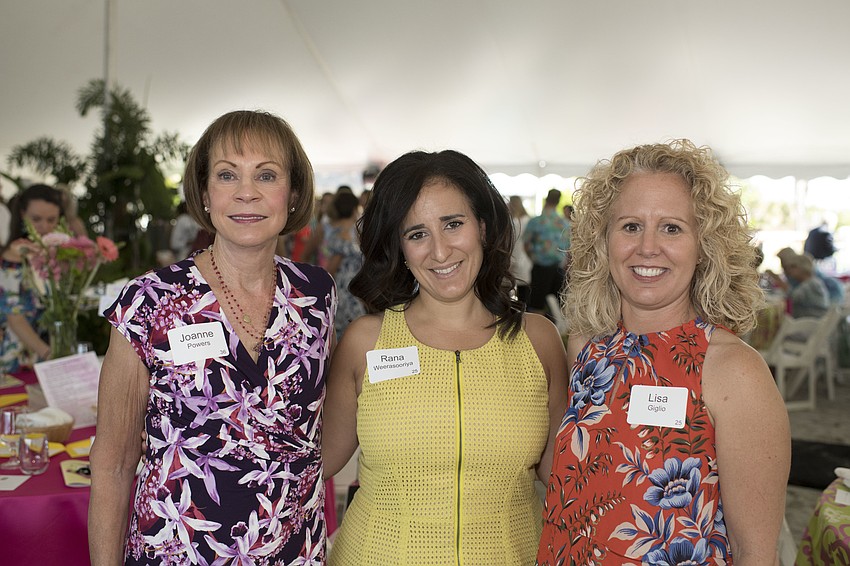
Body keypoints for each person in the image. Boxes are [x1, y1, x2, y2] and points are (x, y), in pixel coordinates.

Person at [88, 110, 335, 564]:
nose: (247, 192)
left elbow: (314, 427)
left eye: (266, 175)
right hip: (177, 551)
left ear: (294, 193)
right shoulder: (150, 301)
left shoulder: (316, 294)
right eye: (227, 175)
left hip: (293, 552)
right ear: (204, 193)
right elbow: (114, 464)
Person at [536, 140, 791, 565]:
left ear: (704, 244)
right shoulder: (587, 348)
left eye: (671, 228)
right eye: (630, 226)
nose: (648, 247)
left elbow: (756, 554)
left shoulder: (732, 370)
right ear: (603, 240)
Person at [322, 150, 569, 565]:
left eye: (453, 224)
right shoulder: (367, 342)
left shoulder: (538, 340)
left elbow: (568, 478)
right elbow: (309, 464)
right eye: (417, 234)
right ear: (399, 247)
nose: (439, 251)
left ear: (483, 228)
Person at [0, 184, 64, 370]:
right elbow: (15, 318)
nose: (44, 226)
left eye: (51, 220)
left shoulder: (52, 254)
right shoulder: (12, 258)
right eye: (36, 219)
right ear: (22, 215)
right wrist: (49, 354)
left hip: (44, 358)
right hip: (14, 361)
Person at [523, 188, 570, 317]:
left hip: (540, 268)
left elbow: (526, 245)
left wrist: (533, 258)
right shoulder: (564, 223)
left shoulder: (536, 222)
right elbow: (568, 248)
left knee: (537, 307)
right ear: (558, 201)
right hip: (558, 269)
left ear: (546, 199)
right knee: (561, 307)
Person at [325, 191, 365, 338]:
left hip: (349, 290)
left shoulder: (341, 232)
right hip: (349, 292)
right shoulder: (354, 232)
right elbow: (331, 269)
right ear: (354, 209)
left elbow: (331, 269)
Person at [769, 248, 829, 319]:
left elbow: (793, 296)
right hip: (811, 319)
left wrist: (779, 281)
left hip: (811, 320)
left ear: (803, 268)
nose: (789, 270)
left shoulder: (811, 284)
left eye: (793, 267)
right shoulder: (811, 282)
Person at [508, 195, 533, 305]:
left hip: (520, 256)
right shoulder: (521, 220)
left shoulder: (520, 221)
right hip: (520, 256)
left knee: (521, 290)